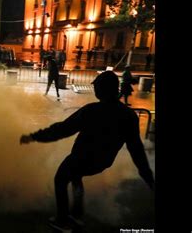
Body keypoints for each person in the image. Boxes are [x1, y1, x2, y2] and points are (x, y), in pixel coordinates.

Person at [20, 71, 154, 231]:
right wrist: (148, 177)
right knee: (76, 177)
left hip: (81, 158)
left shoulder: (92, 111)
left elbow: (62, 129)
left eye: (97, 86)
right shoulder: (129, 115)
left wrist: (34, 136)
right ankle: (77, 214)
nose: (95, 90)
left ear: (103, 89)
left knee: (60, 179)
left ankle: (62, 220)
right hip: (103, 162)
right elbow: (136, 149)